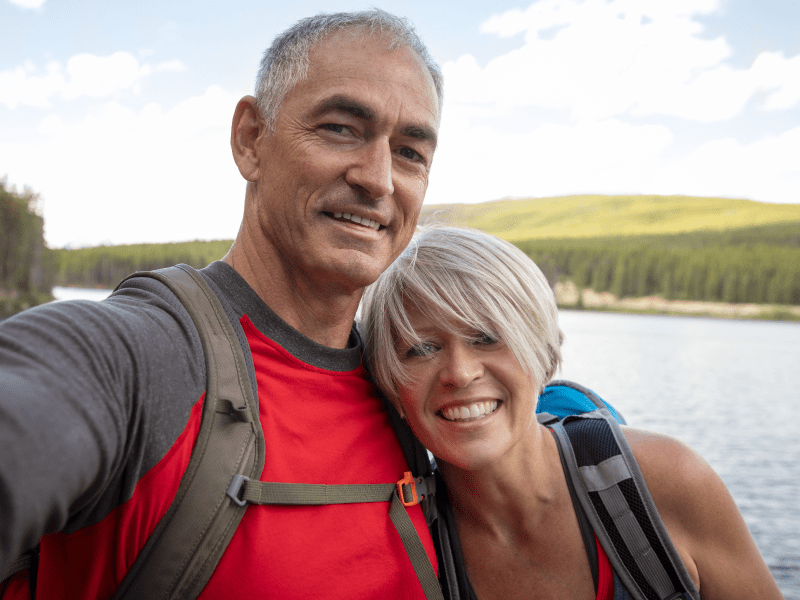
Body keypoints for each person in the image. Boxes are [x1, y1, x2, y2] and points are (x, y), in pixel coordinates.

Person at [0, 10, 445, 599]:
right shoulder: (138, 358)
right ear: (251, 140)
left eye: (410, 151)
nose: (379, 178)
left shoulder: (416, 400)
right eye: (340, 127)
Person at [360, 225, 784, 600]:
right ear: (392, 386)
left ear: (542, 355)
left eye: (488, 337)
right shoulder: (409, 548)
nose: (460, 372)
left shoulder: (665, 483)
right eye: (422, 348)